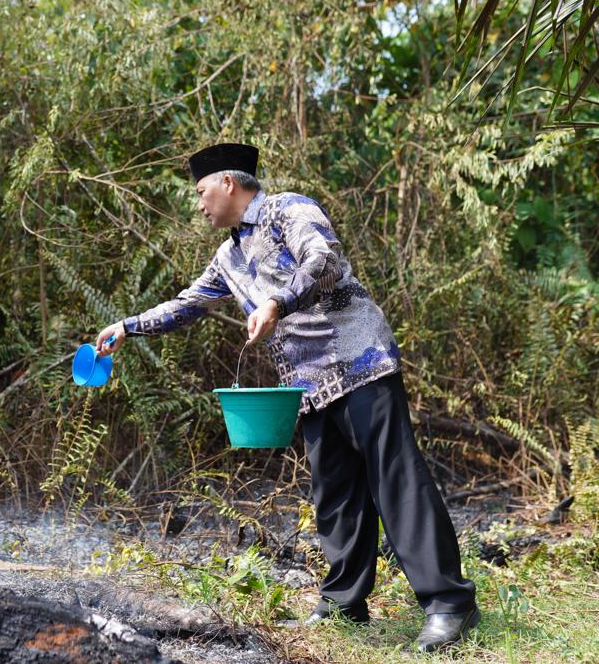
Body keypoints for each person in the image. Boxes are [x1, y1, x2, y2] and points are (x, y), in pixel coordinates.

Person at [93, 143, 479, 653]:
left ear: (229, 183)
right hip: (311, 386)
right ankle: (344, 603)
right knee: (336, 494)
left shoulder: (287, 208)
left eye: (202, 192)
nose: (199, 204)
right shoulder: (228, 256)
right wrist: (128, 326)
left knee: (396, 480)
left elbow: (324, 258)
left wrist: (277, 300)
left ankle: (450, 605)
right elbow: (189, 304)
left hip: (359, 362)